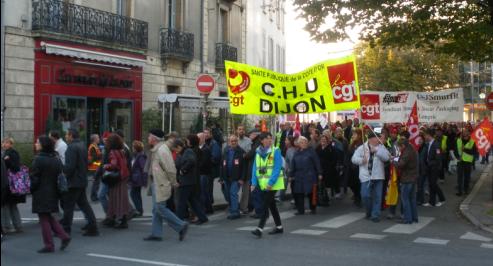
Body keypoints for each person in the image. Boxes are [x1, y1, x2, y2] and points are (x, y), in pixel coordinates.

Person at [144, 129, 188, 242]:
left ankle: (181, 225)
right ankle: (156, 233)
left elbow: (170, 168)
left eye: (149, 136)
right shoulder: (158, 149)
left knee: (160, 208)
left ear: (154, 138)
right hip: (157, 183)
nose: (148, 138)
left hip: (161, 184)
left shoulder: (162, 150)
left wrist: (173, 182)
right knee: (156, 209)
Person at [30, 135, 71, 253]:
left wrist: (31, 188)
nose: (36, 144)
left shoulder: (38, 159)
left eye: (37, 142)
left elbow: (34, 178)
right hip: (53, 191)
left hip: (41, 192)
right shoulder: (56, 158)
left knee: (43, 218)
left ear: (43, 145)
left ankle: (49, 245)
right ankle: (64, 236)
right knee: (48, 216)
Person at [60, 128, 99, 236]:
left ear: (71, 135)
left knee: (69, 207)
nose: (66, 137)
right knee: (84, 205)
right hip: (81, 179)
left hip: (74, 182)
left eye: (67, 135)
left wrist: (62, 168)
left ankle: (65, 230)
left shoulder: (71, 148)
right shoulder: (82, 145)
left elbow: (70, 167)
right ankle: (93, 227)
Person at [251, 132, 285, 238]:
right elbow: (254, 169)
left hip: (273, 184)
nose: (270, 140)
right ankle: (279, 227)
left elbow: (277, 167)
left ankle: (259, 229)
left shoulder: (276, 151)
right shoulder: (258, 152)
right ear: (262, 140)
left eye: (271, 138)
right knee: (272, 205)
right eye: (267, 139)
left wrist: (271, 183)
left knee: (265, 205)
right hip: (263, 184)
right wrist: (253, 183)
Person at [351, 132, 390, 222]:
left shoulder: (381, 148)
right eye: (377, 138)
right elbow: (353, 159)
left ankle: (375, 215)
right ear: (371, 139)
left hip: (378, 175)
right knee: (365, 195)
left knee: (377, 196)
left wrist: (377, 151)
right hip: (366, 176)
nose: (379, 140)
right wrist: (361, 160)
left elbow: (387, 158)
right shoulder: (362, 148)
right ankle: (369, 211)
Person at [174, 136, 209, 224]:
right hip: (187, 181)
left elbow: (191, 161)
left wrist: (183, 170)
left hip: (186, 181)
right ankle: (203, 217)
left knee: (181, 202)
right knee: (192, 201)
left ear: (179, 146)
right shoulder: (183, 153)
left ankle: (178, 221)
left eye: (176, 149)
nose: (175, 151)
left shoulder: (188, 151)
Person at [103, 134, 131, 229]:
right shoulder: (121, 151)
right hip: (123, 177)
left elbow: (113, 165)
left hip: (116, 178)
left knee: (115, 199)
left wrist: (106, 166)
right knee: (122, 199)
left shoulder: (113, 152)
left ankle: (115, 219)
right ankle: (122, 220)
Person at [291, 136, 323, 215]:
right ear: (298, 144)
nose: (304, 143)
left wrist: (319, 173)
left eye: (305, 142)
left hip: (310, 174)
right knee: (299, 193)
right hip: (299, 175)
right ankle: (300, 210)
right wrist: (291, 175)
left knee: (311, 192)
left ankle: (313, 208)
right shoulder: (296, 152)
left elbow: (317, 162)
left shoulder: (311, 151)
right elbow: (293, 164)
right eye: (301, 142)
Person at [1, 137, 25, 233]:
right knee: (11, 205)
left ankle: (8, 226)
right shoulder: (6, 153)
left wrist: (7, 161)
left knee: (6, 205)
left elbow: (16, 167)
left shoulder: (11, 153)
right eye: (3, 142)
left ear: (11, 144)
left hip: (9, 183)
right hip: (10, 183)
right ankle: (17, 226)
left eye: (6, 143)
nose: (4, 144)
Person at [221, 135, 246, 219]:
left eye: (235, 141)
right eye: (232, 141)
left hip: (236, 178)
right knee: (227, 194)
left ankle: (235, 212)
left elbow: (244, 167)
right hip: (226, 177)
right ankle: (234, 208)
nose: (233, 142)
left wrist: (242, 179)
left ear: (237, 142)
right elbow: (222, 164)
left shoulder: (241, 152)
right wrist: (221, 178)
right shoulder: (226, 150)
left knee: (233, 193)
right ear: (229, 142)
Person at [394, 138, 419, 224]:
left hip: (407, 178)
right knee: (412, 198)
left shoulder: (407, 152)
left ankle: (407, 218)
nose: (399, 148)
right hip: (413, 177)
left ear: (403, 146)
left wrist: (392, 161)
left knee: (405, 199)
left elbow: (401, 164)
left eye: (399, 147)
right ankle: (414, 217)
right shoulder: (411, 149)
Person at [422, 129, 446, 207]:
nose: (424, 137)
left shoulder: (436, 144)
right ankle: (431, 202)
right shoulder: (428, 144)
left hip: (434, 168)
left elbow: (438, 158)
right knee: (431, 184)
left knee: (433, 184)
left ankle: (442, 199)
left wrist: (429, 163)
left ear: (429, 135)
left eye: (425, 135)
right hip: (429, 167)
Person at [454, 130, 476, 196]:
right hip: (460, 161)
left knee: (467, 176)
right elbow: (455, 150)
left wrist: (465, 149)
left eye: (466, 132)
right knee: (459, 177)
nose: (465, 134)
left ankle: (466, 189)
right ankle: (460, 191)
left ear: (469, 134)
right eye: (463, 133)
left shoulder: (472, 141)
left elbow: (473, 152)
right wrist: (457, 157)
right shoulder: (458, 140)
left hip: (467, 161)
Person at [236, 125, 252, 215]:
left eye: (242, 129)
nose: (241, 131)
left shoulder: (248, 140)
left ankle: (243, 207)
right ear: (237, 131)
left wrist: (239, 151)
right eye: (239, 129)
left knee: (245, 190)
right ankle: (234, 205)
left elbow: (248, 153)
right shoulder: (234, 140)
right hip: (236, 168)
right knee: (233, 190)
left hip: (246, 167)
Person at [129, 140, 147, 217]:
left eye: (133, 147)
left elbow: (143, 168)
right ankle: (139, 210)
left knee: (133, 194)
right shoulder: (137, 155)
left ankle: (139, 210)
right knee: (136, 194)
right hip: (136, 178)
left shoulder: (140, 156)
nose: (132, 148)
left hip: (137, 178)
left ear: (136, 148)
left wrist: (144, 180)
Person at [346, 129, 363, 207]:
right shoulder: (352, 145)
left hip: (359, 168)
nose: (352, 136)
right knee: (351, 184)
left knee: (358, 184)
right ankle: (356, 195)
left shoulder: (362, 145)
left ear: (359, 136)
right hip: (351, 168)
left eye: (354, 134)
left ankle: (358, 198)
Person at [197, 133, 213, 214]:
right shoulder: (199, 148)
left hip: (203, 174)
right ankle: (209, 209)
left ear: (203, 139)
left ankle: (204, 210)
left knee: (203, 193)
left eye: (198, 138)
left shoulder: (206, 149)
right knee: (204, 192)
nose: (197, 140)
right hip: (201, 174)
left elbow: (204, 162)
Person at [88, 134, 102, 202]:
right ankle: (93, 197)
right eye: (98, 138)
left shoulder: (95, 146)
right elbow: (95, 157)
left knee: (97, 182)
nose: (99, 139)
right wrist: (102, 154)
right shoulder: (93, 147)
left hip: (96, 167)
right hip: (94, 167)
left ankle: (95, 196)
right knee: (96, 182)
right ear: (94, 139)